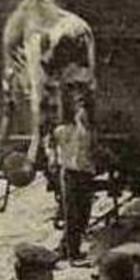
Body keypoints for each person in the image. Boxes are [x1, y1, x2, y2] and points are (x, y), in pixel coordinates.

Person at [51, 100, 96, 264]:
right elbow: (50, 141)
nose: (82, 115)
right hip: (71, 174)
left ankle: (70, 248)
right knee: (73, 214)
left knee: (83, 213)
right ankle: (71, 252)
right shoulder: (64, 131)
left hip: (84, 174)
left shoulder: (89, 133)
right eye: (80, 113)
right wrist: (53, 158)